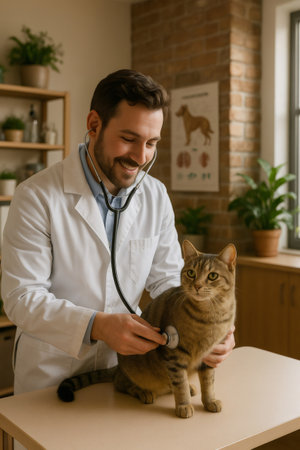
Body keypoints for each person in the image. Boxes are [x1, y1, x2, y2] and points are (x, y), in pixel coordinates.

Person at [1, 69, 235, 396]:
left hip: (131, 369)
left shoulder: (154, 195)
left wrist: (207, 322)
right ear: (94, 125)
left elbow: (168, 281)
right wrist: (97, 326)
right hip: (52, 372)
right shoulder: (36, 196)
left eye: (151, 143)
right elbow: (21, 299)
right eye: (129, 139)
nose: (140, 157)